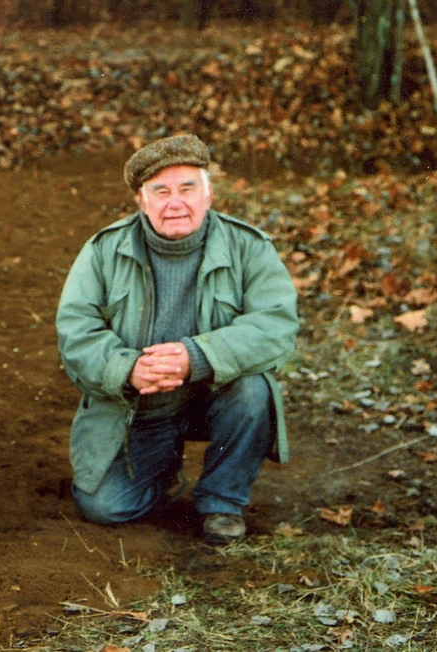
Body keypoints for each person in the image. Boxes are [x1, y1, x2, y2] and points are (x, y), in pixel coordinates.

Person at [55, 134, 298, 544]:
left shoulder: (249, 248)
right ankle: (163, 471)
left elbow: (275, 325)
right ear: (141, 200)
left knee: (254, 391)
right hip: (142, 404)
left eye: (188, 189)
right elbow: (76, 331)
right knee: (105, 507)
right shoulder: (103, 251)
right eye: (161, 191)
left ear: (208, 195)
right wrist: (127, 368)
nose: (175, 203)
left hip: (215, 394)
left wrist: (197, 356)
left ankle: (222, 500)